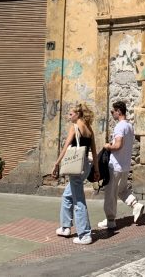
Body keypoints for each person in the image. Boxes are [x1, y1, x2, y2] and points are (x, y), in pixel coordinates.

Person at [52, 103, 99, 244]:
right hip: (86, 165)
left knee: (78, 200)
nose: (69, 116)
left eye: (71, 114)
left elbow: (66, 146)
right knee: (67, 195)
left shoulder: (75, 127)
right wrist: (96, 170)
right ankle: (65, 227)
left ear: (78, 114)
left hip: (76, 167)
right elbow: (94, 152)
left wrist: (56, 163)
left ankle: (85, 234)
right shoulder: (89, 129)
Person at [97, 100, 144, 230]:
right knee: (121, 190)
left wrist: (108, 146)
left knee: (110, 194)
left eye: (113, 111)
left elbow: (118, 145)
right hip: (125, 165)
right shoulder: (129, 126)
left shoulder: (119, 126)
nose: (112, 114)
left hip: (115, 165)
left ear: (118, 111)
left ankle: (110, 220)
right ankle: (135, 205)